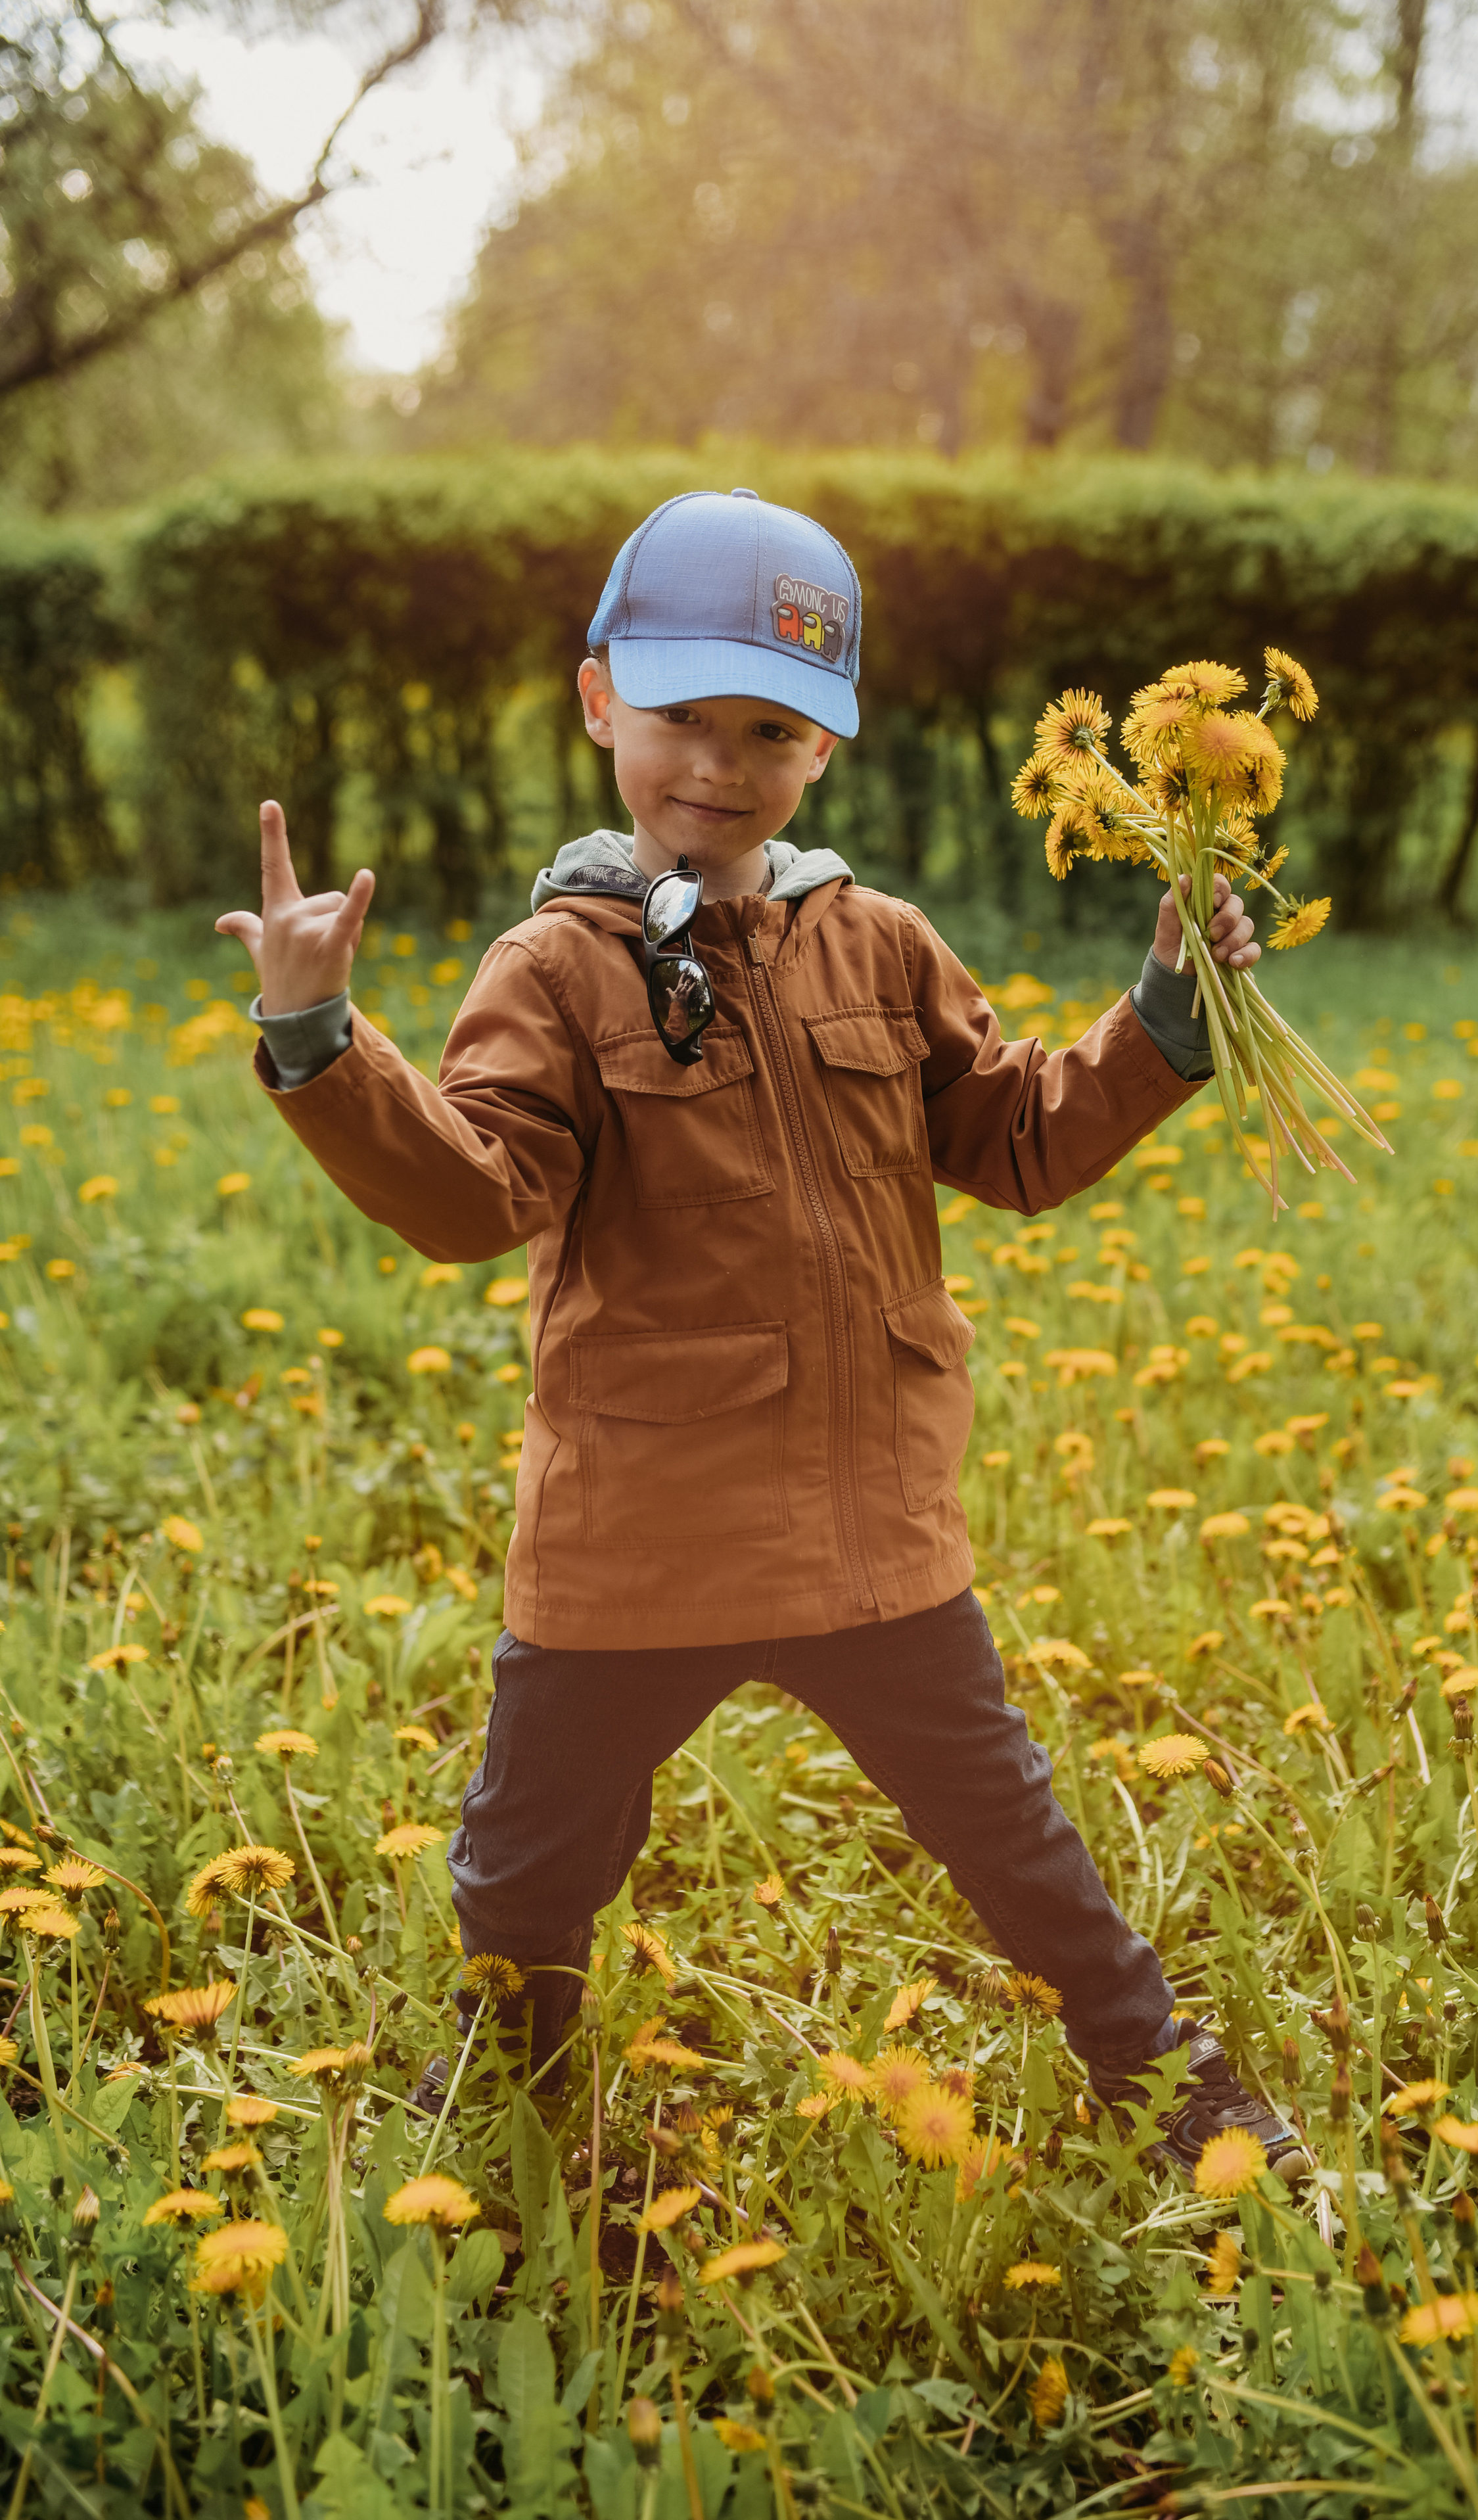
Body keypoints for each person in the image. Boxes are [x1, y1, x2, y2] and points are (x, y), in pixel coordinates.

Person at [216, 487, 1308, 2183]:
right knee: (525, 1866)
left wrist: (1164, 1018)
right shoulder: (555, 969)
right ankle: (510, 2084)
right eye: (681, 720)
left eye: (769, 729)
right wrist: (317, 1036)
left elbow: (1019, 1135)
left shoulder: (879, 944)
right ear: (599, 703)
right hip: (633, 1536)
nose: (718, 766)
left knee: (1011, 1834)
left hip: (869, 1525)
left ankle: (1168, 2075)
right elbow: (471, 1191)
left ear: (824, 751)